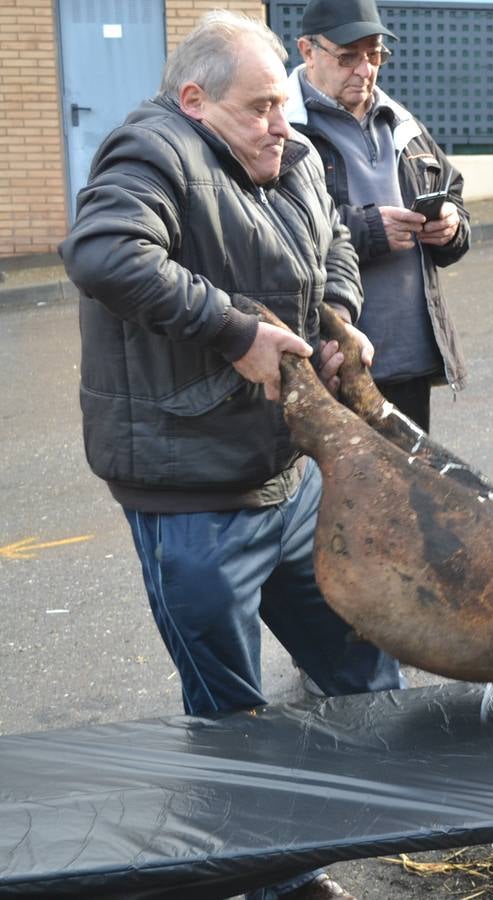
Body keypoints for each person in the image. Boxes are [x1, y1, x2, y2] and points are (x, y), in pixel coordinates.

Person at [60, 12, 402, 899]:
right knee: (234, 721)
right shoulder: (152, 153)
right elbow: (101, 252)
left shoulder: (291, 154)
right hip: (191, 502)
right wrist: (235, 329)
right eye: (259, 109)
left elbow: (329, 243)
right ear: (194, 101)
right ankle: (275, 877)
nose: (280, 123)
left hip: (287, 477)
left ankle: (374, 810)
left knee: (365, 667)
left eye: (283, 104)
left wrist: (336, 318)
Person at [286, 0, 472, 432]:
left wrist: (451, 226)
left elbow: (453, 192)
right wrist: (368, 229)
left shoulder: (400, 120)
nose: (365, 70)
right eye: (347, 57)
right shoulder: (284, 130)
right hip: (334, 363)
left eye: (374, 55)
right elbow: (274, 230)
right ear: (307, 51)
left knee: (408, 490)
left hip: (409, 359)